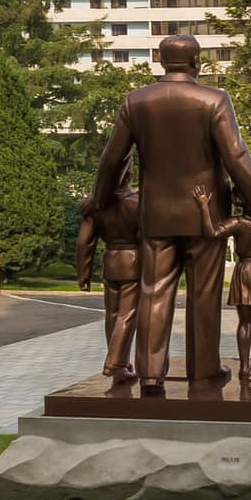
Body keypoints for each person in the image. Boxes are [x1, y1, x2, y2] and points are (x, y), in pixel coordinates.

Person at [90, 34, 251, 395]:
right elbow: (238, 159)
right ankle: (203, 368)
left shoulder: (136, 101)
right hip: (205, 214)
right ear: (196, 60)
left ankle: (150, 373)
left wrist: (100, 199)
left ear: (161, 60)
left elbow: (111, 159)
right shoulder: (213, 100)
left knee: (154, 292)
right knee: (204, 293)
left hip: (157, 215)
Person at [192, 185, 251, 389]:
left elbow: (211, 233)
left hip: (244, 269)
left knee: (244, 323)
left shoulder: (237, 223)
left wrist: (203, 206)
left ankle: (245, 367)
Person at [76, 159, 141, 384]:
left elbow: (84, 243)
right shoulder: (138, 204)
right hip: (134, 262)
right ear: (129, 177)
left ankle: (119, 360)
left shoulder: (95, 206)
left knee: (112, 314)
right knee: (128, 314)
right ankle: (116, 364)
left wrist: (83, 274)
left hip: (110, 261)